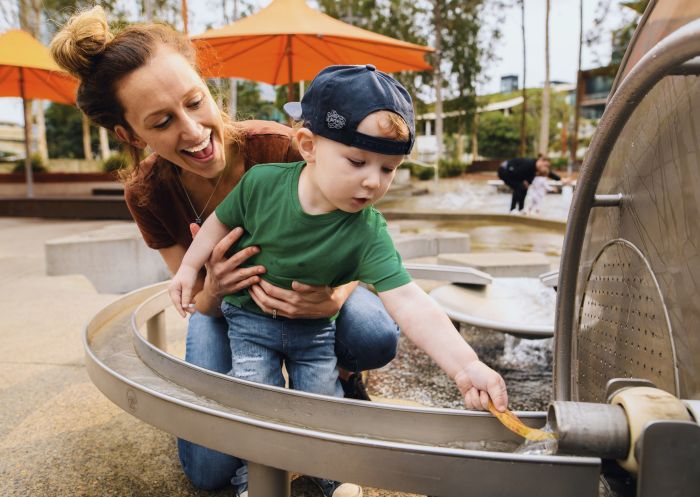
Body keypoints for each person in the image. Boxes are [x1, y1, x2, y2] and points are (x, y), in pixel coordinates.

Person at [50, 8, 401, 496]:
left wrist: (335, 297)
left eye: (195, 102)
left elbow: (358, 237)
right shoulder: (148, 193)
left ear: (207, 89)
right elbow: (195, 299)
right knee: (208, 472)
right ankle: (274, 387)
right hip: (227, 310)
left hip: (312, 294)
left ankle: (337, 383)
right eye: (162, 121)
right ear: (131, 135)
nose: (193, 131)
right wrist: (213, 287)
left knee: (375, 334)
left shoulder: (280, 149)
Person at [169, 64, 510, 497]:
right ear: (308, 146)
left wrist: (466, 367)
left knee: (321, 406)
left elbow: (409, 300)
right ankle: (255, 476)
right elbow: (217, 225)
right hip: (250, 325)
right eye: (357, 161)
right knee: (258, 400)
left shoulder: (367, 230)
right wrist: (187, 270)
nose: (373, 181)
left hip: (314, 334)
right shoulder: (261, 185)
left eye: (389, 169)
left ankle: (329, 471)